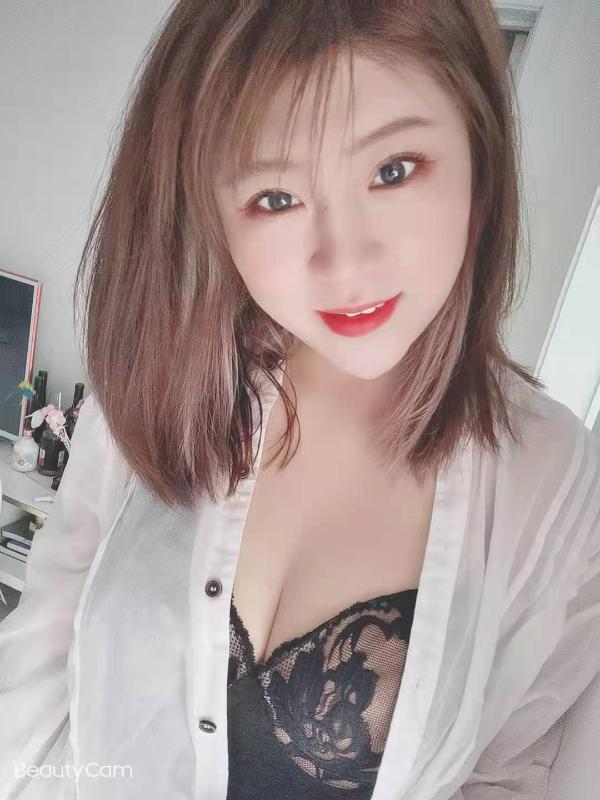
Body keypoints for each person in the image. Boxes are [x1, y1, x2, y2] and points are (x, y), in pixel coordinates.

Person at [1, 1, 599, 799]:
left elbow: (510, 773)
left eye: (394, 170)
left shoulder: (551, 479)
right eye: (276, 197)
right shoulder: (161, 382)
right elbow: (39, 674)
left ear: (480, 162)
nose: (344, 262)